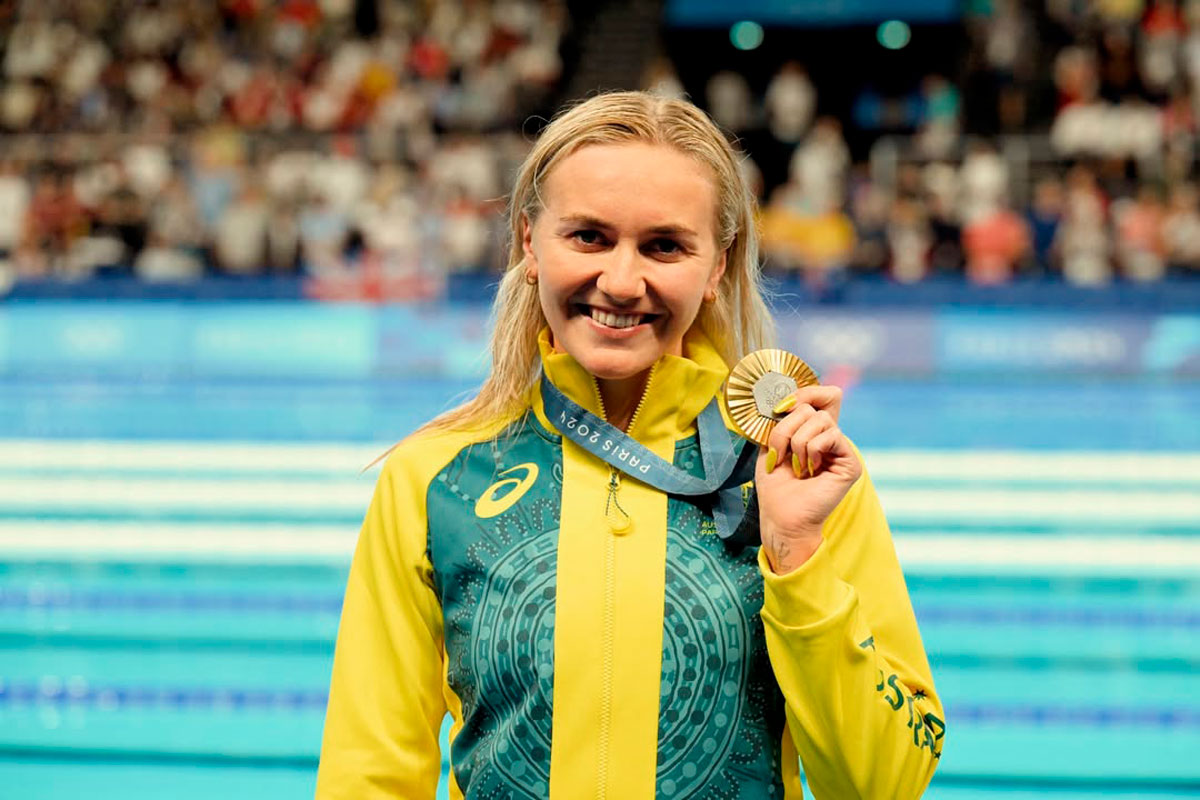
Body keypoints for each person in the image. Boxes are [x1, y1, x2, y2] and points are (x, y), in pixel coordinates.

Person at [316, 91, 944, 799]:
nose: (620, 282)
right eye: (588, 236)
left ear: (717, 267)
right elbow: (366, 777)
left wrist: (796, 555)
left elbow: (883, 785)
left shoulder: (799, 473)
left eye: (664, 246)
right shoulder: (436, 479)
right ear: (530, 242)